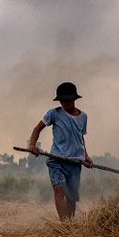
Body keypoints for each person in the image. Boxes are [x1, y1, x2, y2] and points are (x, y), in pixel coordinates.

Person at [28, 81, 93, 221]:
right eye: (62, 101)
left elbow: (80, 138)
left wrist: (86, 156)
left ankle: (69, 225)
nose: (64, 104)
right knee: (59, 190)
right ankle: (64, 226)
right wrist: (32, 145)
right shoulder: (54, 114)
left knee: (71, 198)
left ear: (74, 99)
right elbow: (37, 129)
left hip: (75, 162)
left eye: (68, 100)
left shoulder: (83, 117)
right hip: (57, 160)